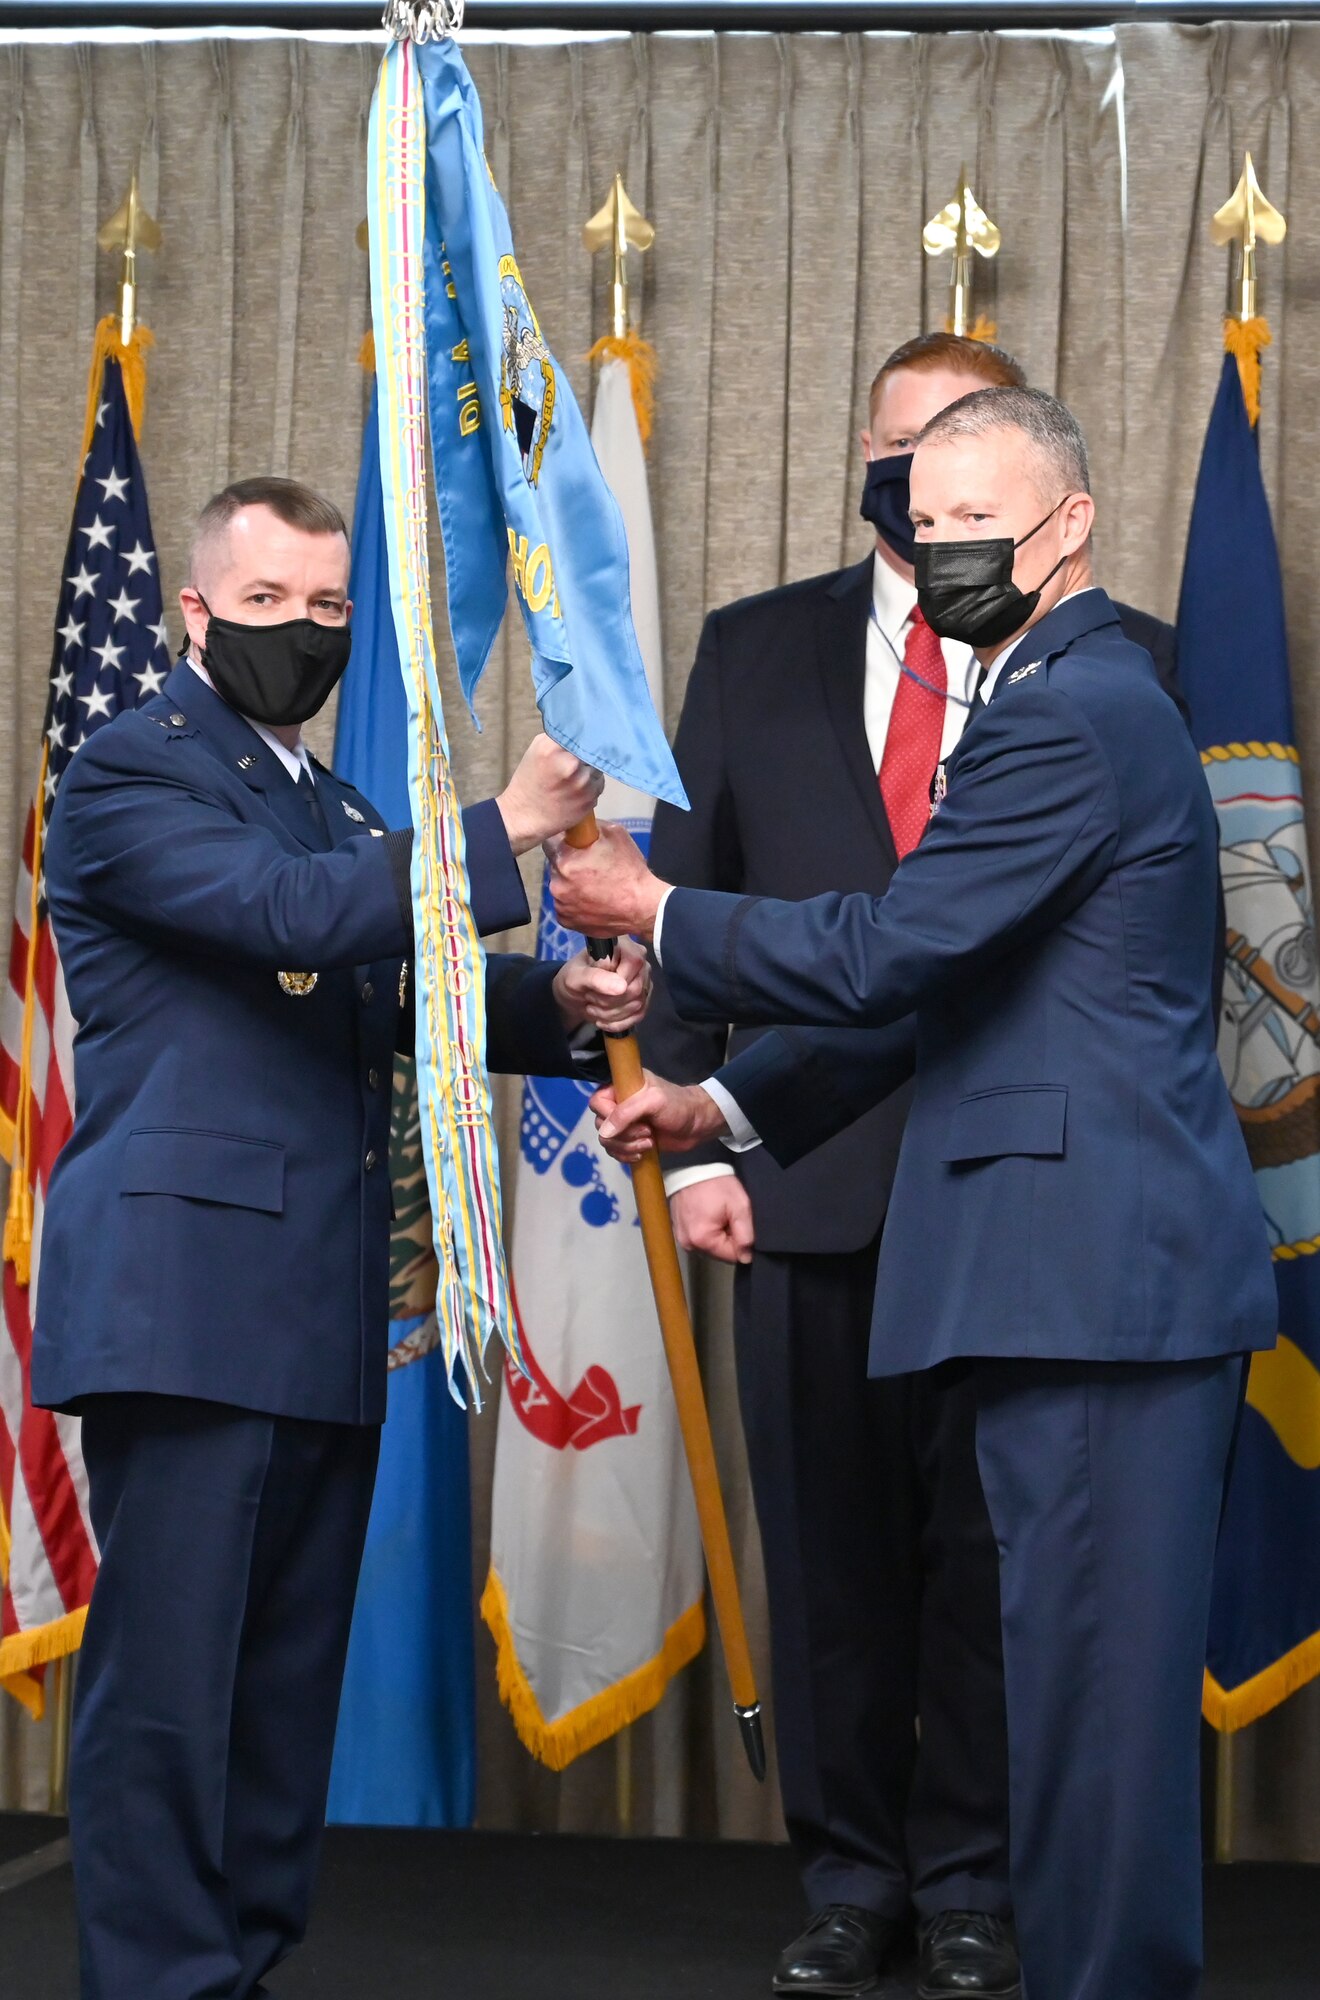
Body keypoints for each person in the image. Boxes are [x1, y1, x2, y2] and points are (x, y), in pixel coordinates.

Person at [550, 386, 1275, 2000]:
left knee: (1091, 1732)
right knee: (1078, 1707)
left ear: (1070, 527)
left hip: (1095, 1288)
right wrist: (723, 1099)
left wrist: (658, 907)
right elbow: (960, 999)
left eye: (979, 522)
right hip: (1078, 1283)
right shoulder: (1053, 692)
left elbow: (894, 950)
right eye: (924, 519)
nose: (943, 550)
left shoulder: (1071, 708)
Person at [35, 477, 649, 2000]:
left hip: (324, 1297)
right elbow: (294, 919)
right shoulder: (128, 776)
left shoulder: (338, 801)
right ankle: (161, 1979)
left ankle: (239, 1960)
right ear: (193, 611)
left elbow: (394, 996)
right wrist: (505, 825)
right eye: (266, 605)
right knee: (176, 1683)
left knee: (280, 1676)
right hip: (187, 1296)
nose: (300, 634)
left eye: (326, 610)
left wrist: (558, 1008)